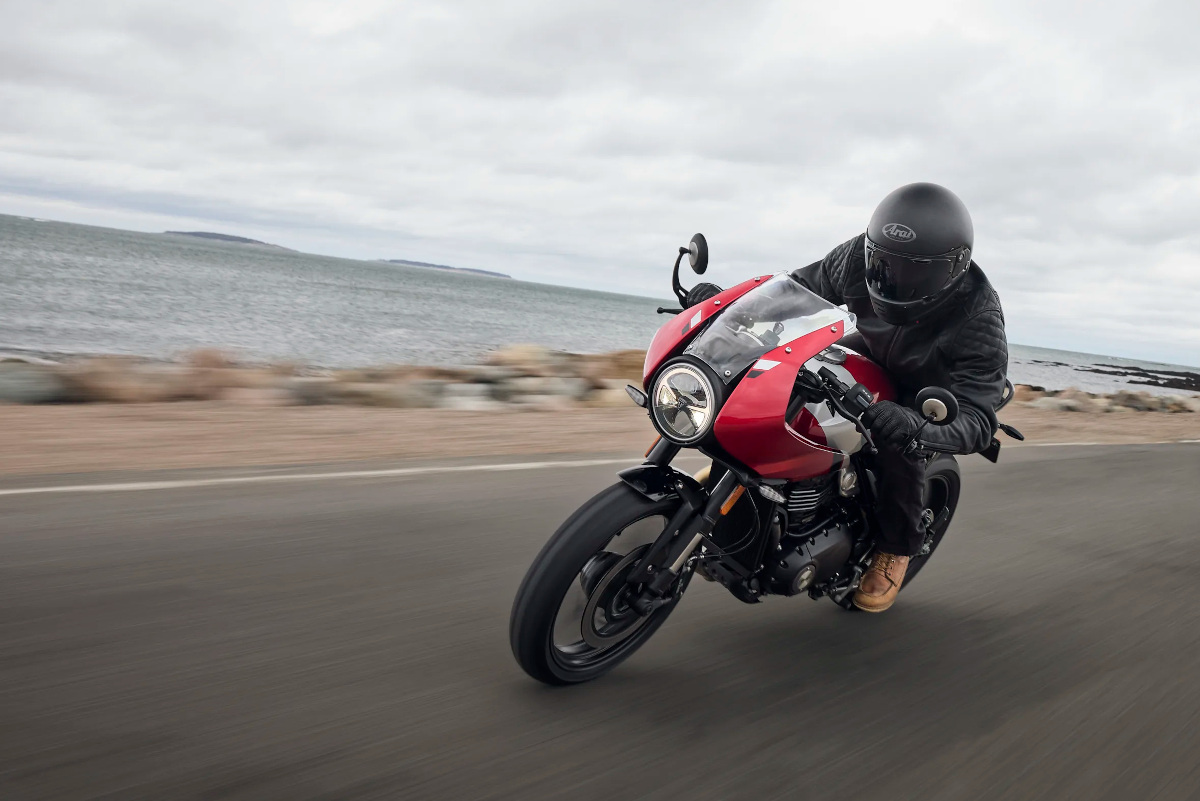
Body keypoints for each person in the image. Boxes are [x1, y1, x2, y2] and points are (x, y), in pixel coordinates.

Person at [791, 182, 1009, 612]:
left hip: (929, 386)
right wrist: (729, 304)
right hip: (874, 349)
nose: (896, 280)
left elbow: (979, 419)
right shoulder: (856, 257)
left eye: (917, 272)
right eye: (885, 265)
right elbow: (796, 289)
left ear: (954, 269)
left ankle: (896, 547)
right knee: (797, 371)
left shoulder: (978, 315)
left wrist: (914, 424)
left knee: (898, 444)